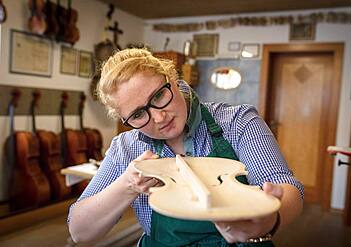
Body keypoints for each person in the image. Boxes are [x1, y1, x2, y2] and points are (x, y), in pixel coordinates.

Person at [68, 48, 304, 246]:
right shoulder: (126, 147)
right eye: (139, 114)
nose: (159, 118)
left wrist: (271, 220)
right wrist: (127, 185)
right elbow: (79, 231)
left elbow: (287, 186)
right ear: (124, 120)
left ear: (174, 80)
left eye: (159, 96)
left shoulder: (237, 122)